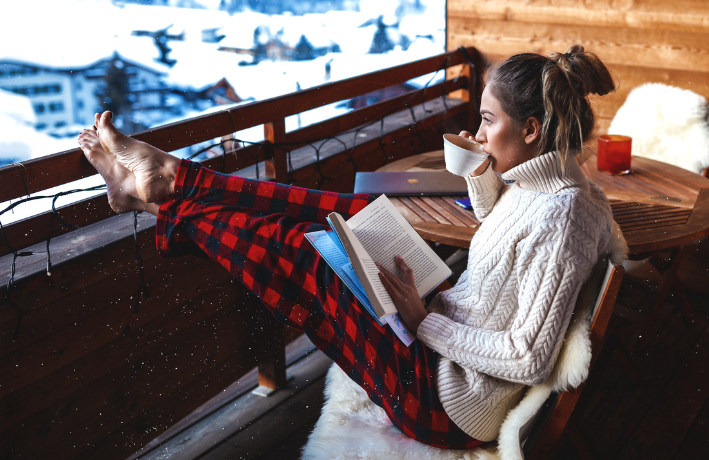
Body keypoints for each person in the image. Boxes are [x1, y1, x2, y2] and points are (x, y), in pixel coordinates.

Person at [77, 44, 617, 449]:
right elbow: (526, 237)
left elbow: (527, 356)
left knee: (308, 258)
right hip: (453, 333)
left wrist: (423, 320)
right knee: (348, 212)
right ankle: (174, 179)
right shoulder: (565, 190)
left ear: (530, 129)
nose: (476, 131)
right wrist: (483, 176)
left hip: (446, 400)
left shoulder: (561, 215)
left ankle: (160, 201)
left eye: (486, 119)